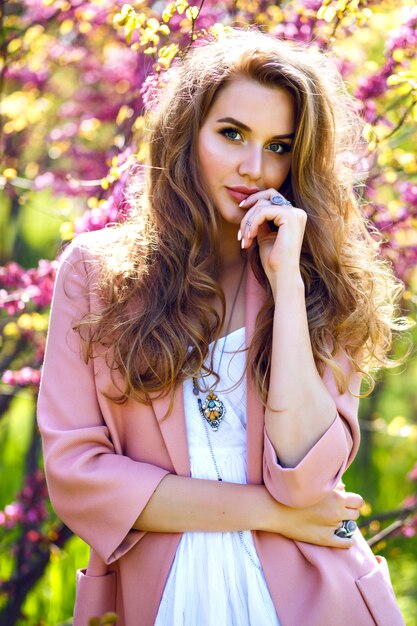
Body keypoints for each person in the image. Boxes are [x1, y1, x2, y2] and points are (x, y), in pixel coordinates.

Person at [37, 28, 406, 626]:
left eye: (279, 146)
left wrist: (287, 285)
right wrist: (271, 514)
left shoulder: (320, 280)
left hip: (312, 601)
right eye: (231, 133)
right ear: (187, 133)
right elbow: (80, 478)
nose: (254, 168)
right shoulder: (97, 273)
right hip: (155, 598)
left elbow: (307, 483)